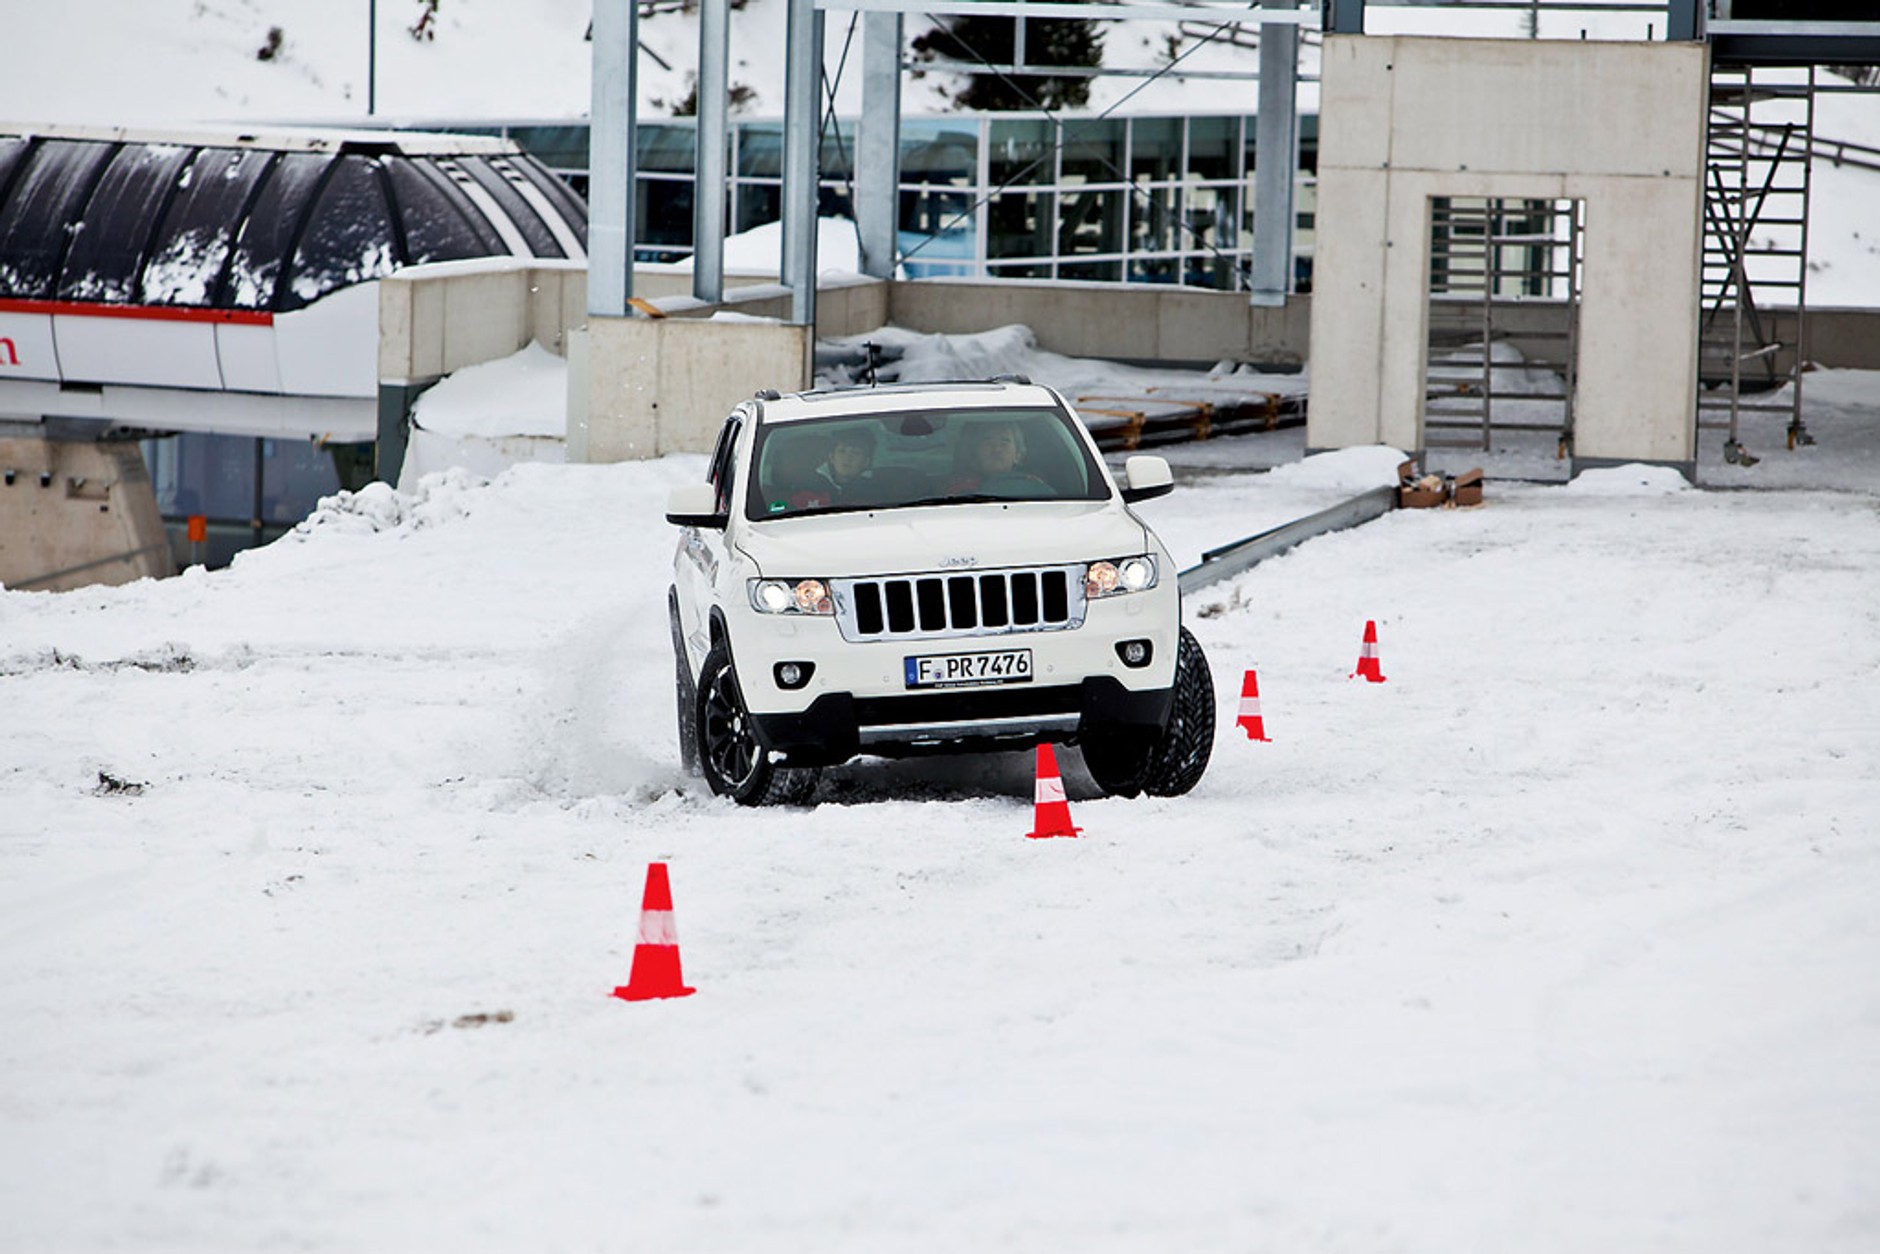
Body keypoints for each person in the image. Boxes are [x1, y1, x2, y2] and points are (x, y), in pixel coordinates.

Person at [945, 420, 1046, 496]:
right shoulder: (958, 490)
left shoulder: (1032, 486)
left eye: (1004, 443)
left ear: (1017, 455)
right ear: (975, 453)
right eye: (988, 442)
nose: (997, 449)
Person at [821, 427, 876, 499]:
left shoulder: (874, 493)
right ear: (832, 457)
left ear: (866, 462)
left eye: (855, 453)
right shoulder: (813, 487)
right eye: (842, 451)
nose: (847, 458)